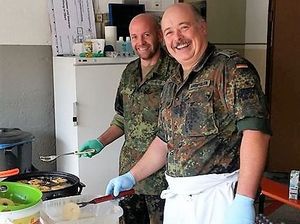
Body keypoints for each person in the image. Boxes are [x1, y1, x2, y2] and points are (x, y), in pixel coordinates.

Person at [106, 3, 271, 224]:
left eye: (184, 27)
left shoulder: (230, 69)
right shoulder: (173, 81)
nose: (178, 38)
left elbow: (256, 134)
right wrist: (131, 176)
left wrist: (244, 199)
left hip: (218, 198)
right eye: (169, 32)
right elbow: (163, 142)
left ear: (202, 27)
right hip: (179, 199)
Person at [79, 13, 178, 224]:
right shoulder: (130, 72)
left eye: (146, 35)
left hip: (162, 178)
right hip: (128, 175)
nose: (140, 42)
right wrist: (100, 142)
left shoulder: (176, 72)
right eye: (134, 36)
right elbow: (122, 117)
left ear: (159, 35)